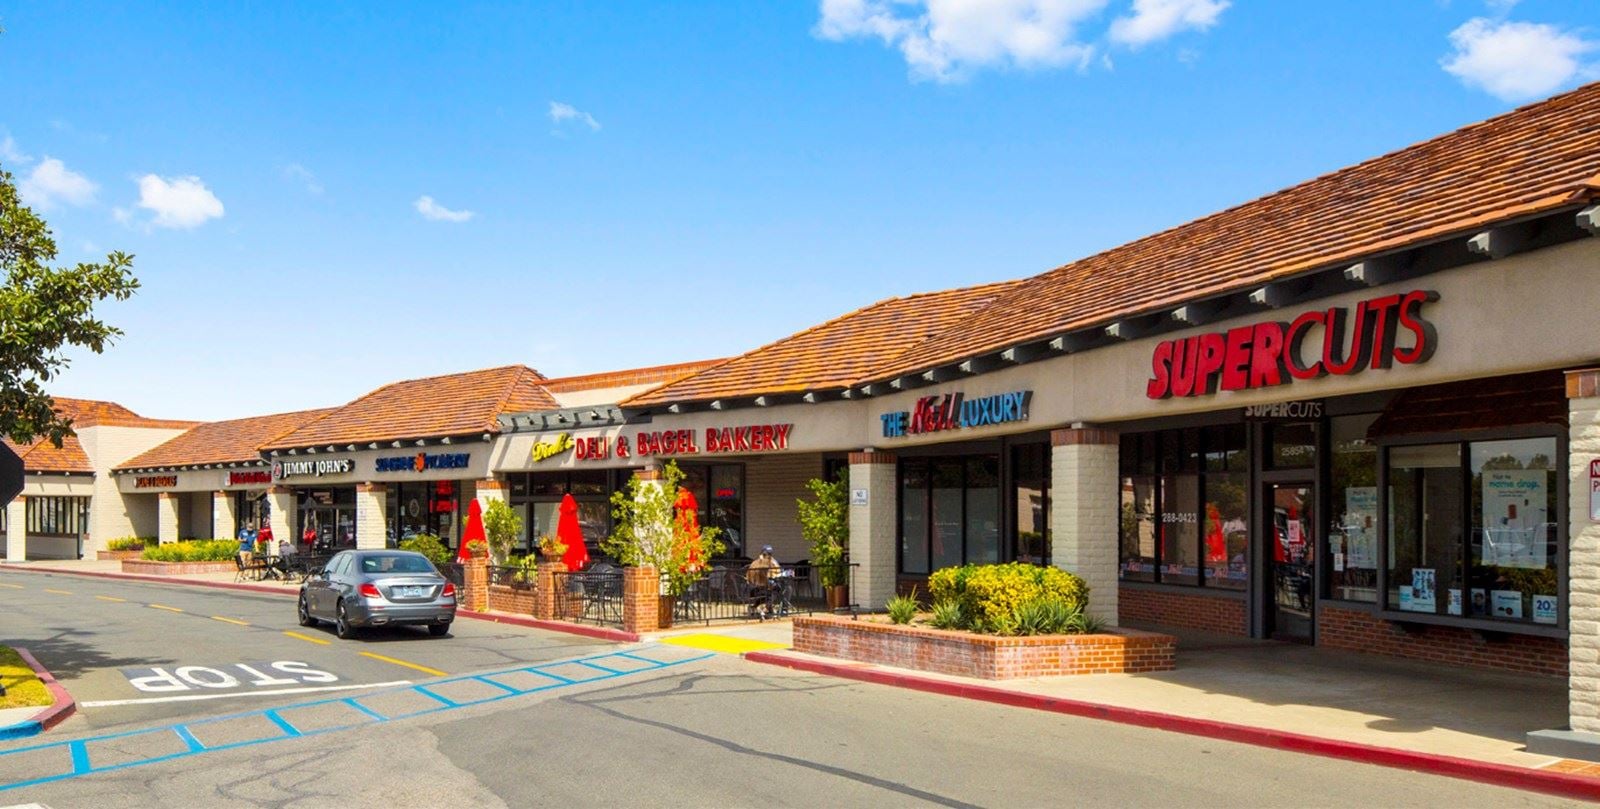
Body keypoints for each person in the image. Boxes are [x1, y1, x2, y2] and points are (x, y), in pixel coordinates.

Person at [746, 546, 781, 618]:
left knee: (767, 592)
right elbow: (776, 573)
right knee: (776, 590)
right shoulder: (769, 563)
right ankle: (767, 608)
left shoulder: (754, 563)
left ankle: (755, 607)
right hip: (762, 589)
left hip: (752, 590)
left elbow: (748, 576)